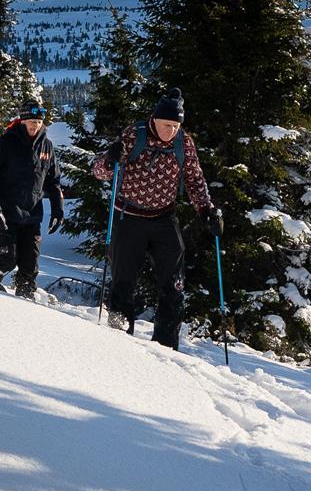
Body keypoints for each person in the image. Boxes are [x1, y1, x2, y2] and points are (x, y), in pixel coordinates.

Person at [91, 87, 222, 350]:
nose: (170, 131)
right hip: (129, 217)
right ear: (154, 119)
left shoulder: (183, 142)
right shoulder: (134, 135)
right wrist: (109, 158)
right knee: (123, 281)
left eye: (175, 126)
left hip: (164, 217)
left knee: (174, 285)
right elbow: (100, 172)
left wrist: (206, 210)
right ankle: (117, 340)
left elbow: (195, 179)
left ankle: (166, 346)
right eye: (166, 125)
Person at [0, 102, 64, 298]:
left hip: (32, 215)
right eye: (31, 122)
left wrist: (57, 211)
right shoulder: (6, 143)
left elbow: (54, 182)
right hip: (6, 213)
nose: (35, 126)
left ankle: (25, 301)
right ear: (23, 121)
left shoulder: (47, 146)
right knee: (7, 259)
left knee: (29, 266)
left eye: (39, 122)